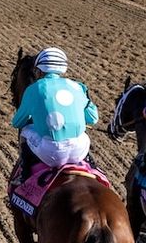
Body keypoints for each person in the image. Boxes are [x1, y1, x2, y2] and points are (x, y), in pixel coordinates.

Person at [11, 47, 98, 175]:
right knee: (82, 134)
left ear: (39, 71)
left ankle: (24, 173)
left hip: (52, 153)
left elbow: (17, 123)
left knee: (25, 131)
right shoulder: (78, 86)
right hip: (80, 150)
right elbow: (93, 119)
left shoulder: (34, 88)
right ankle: (91, 166)